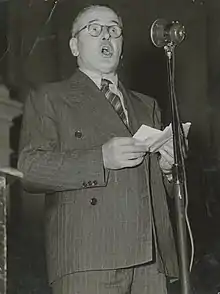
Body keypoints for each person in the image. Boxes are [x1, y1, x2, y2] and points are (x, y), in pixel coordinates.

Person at [18, 4, 179, 294]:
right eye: (94, 29)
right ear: (74, 46)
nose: (106, 35)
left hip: (151, 259)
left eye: (114, 30)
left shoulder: (147, 105)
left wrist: (168, 171)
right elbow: (31, 169)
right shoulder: (50, 98)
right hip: (89, 256)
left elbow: (160, 187)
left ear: (121, 44)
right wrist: (100, 159)